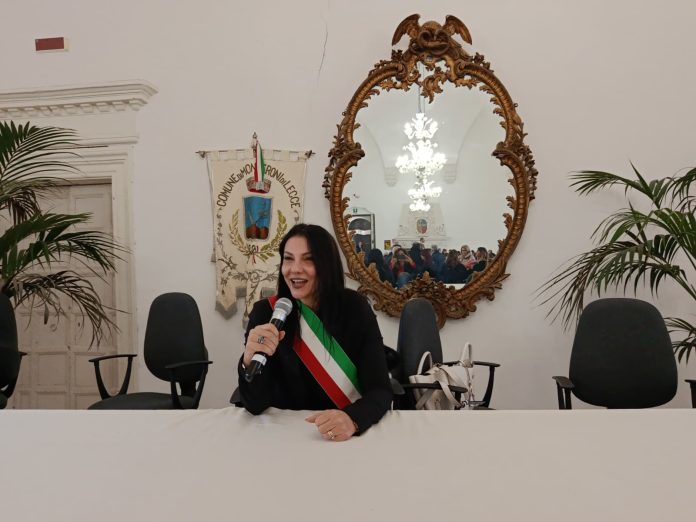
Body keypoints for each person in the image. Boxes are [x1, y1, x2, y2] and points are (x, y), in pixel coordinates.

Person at [238, 223, 392, 441]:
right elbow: (254, 404)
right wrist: (247, 362)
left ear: (327, 265)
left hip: (343, 439)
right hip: (284, 436)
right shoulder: (266, 313)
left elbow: (380, 390)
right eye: (288, 259)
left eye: (308, 259)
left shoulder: (355, 308)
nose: (295, 269)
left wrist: (353, 419)